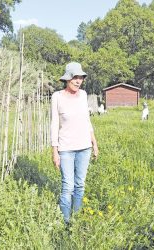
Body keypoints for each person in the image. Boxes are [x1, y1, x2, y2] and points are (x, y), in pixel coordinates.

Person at [50, 62, 99, 224]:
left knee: (80, 185)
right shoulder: (57, 97)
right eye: (75, 78)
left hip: (84, 147)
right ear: (67, 79)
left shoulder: (83, 95)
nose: (78, 81)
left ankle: (76, 219)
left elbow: (87, 120)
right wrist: (54, 151)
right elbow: (54, 124)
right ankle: (66, 222)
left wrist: (94, 142)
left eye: (81, 78)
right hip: (66, 149)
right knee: (68, 187)